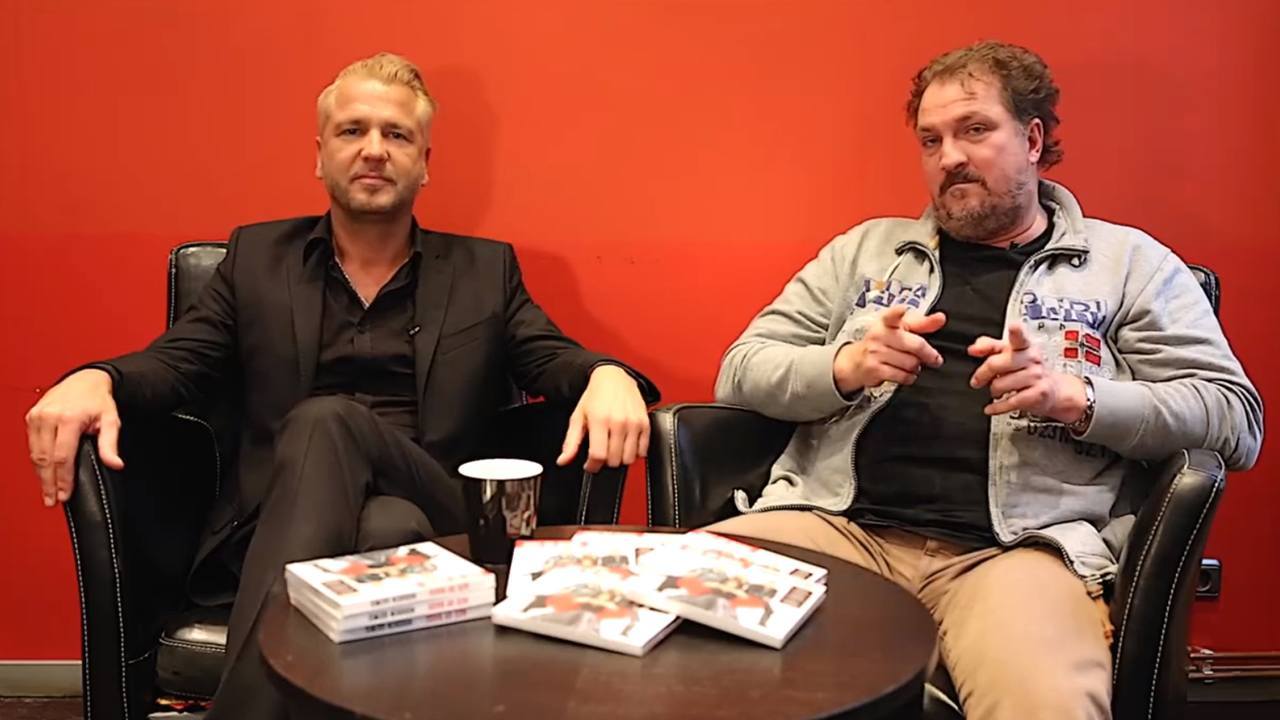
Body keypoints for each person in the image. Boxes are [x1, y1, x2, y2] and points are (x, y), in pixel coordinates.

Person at [24, 52, 659, 719]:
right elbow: (178, 361)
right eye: (353, 130)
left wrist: (607, 374)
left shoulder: (483, 271)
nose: (374, 149)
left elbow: (550, 355)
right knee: (384, 519)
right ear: (320, 155)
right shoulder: (256, 259)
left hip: (437, 504)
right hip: (294, 521)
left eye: (397, 134)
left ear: (424, 162)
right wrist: (95, 377)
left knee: (328, 419)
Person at [709, 41, 1262, 720]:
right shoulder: (864, 251)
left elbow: (1234, 419)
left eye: (974, 129)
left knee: (1046, 705)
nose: (949, 157)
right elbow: (741, 371)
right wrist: (842, 368)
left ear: (1032, 140)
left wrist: (1078, 399)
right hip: (834, 529)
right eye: (931, 139)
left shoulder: (1129, 265)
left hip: (1019, 556)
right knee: (664, 628)